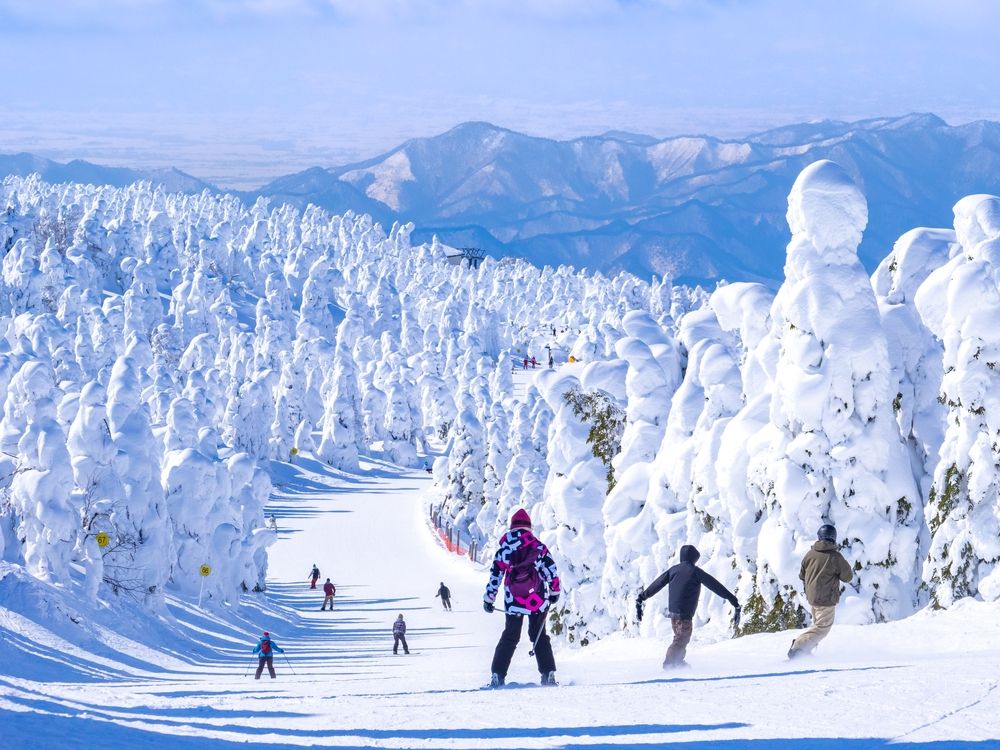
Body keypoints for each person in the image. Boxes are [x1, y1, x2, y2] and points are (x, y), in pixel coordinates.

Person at [483, 508, 560, 687]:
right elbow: (551, 571)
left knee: (510, 636)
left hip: (513, 601)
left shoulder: (505, 549)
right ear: (528, 527)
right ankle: (548, 673)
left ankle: (497, 674)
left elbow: (496, 575)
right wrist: (554, 592)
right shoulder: (538, 546)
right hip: (537, 600)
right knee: (539, 636)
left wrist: (489, 599)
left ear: (512, 527)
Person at [636, 544, 740, 669]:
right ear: (694, 558)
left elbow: (657, 584)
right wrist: (733, 600)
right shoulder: (695, 571)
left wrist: (642, 597)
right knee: (681, 639)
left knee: (681, 638)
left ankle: (678, 662)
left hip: (674, 614)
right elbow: (715, 586)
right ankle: (669, 664)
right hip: (684, 614)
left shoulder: (673, 570)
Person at [787, 524, 853, 659]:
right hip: (826, 599)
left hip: (812, 597)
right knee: (822, 629)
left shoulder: (810, 554)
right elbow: (848, 577)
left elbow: (801, 575)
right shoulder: (835, 557)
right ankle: (798, 646)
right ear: (833, 538)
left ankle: (804, 651)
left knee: (817, 626)